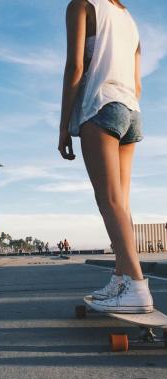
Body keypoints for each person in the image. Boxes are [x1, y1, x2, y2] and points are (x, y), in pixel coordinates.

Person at [58, 0, 153, 313]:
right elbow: (137, 82)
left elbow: (75, 67)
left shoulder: (81, 6)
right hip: (131, 109)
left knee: (108, 201)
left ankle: (137, 288)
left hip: (100, 106)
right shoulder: (129, 19)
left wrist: (63, 127)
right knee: (121, 203)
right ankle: (121, 277)